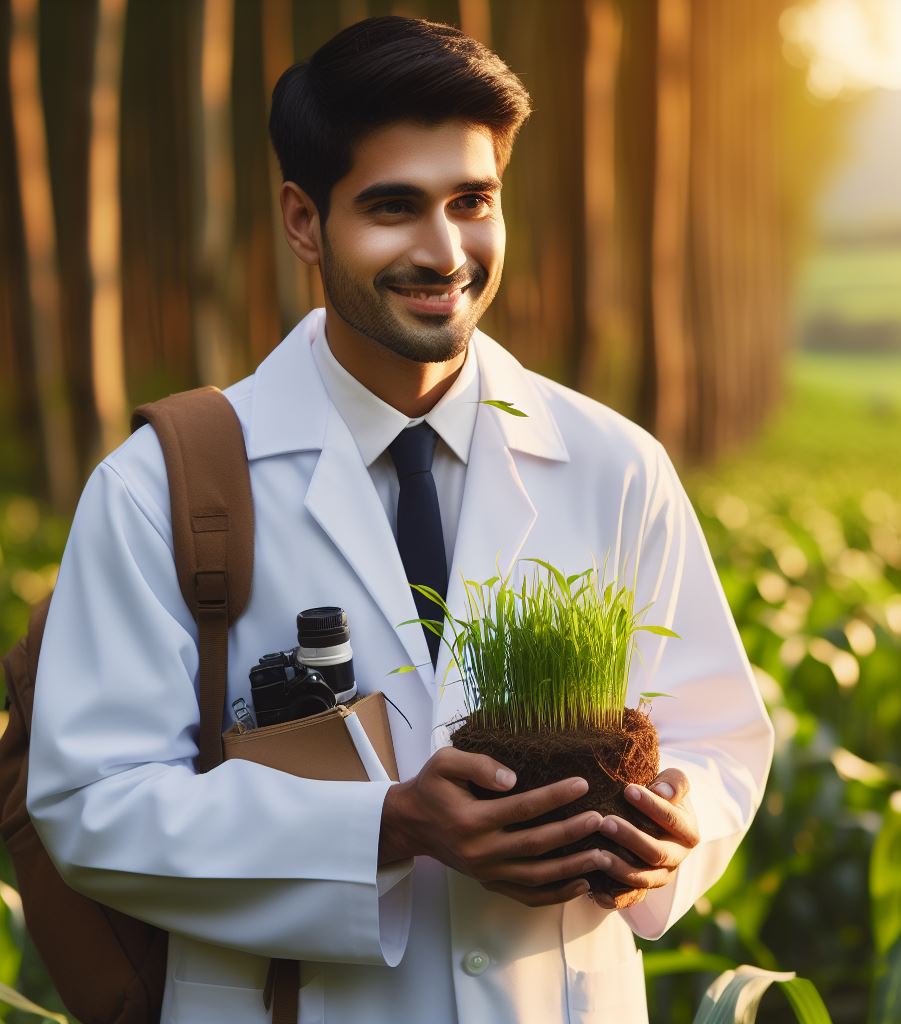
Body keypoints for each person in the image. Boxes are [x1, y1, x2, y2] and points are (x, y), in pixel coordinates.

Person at [28, 16, 773, 1024]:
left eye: (473, 202)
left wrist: (674, 829)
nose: (443, 250)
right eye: (393, 207)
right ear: (302, 221)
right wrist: (385, 824)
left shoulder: (615, 464)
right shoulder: (160, 485)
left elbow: (719, 731)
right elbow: (89, 804)